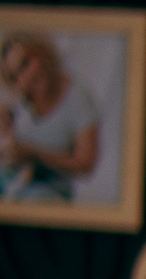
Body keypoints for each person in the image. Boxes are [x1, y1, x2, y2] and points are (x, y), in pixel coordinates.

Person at [0, 31, 101, 204]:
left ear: (42, 51)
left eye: (25, 63)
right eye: (15, 77)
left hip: (47, 194)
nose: (26, 79)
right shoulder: (22, 101)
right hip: (9, 182)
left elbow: (85, 164)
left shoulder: (78, 99)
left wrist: (34, 154)